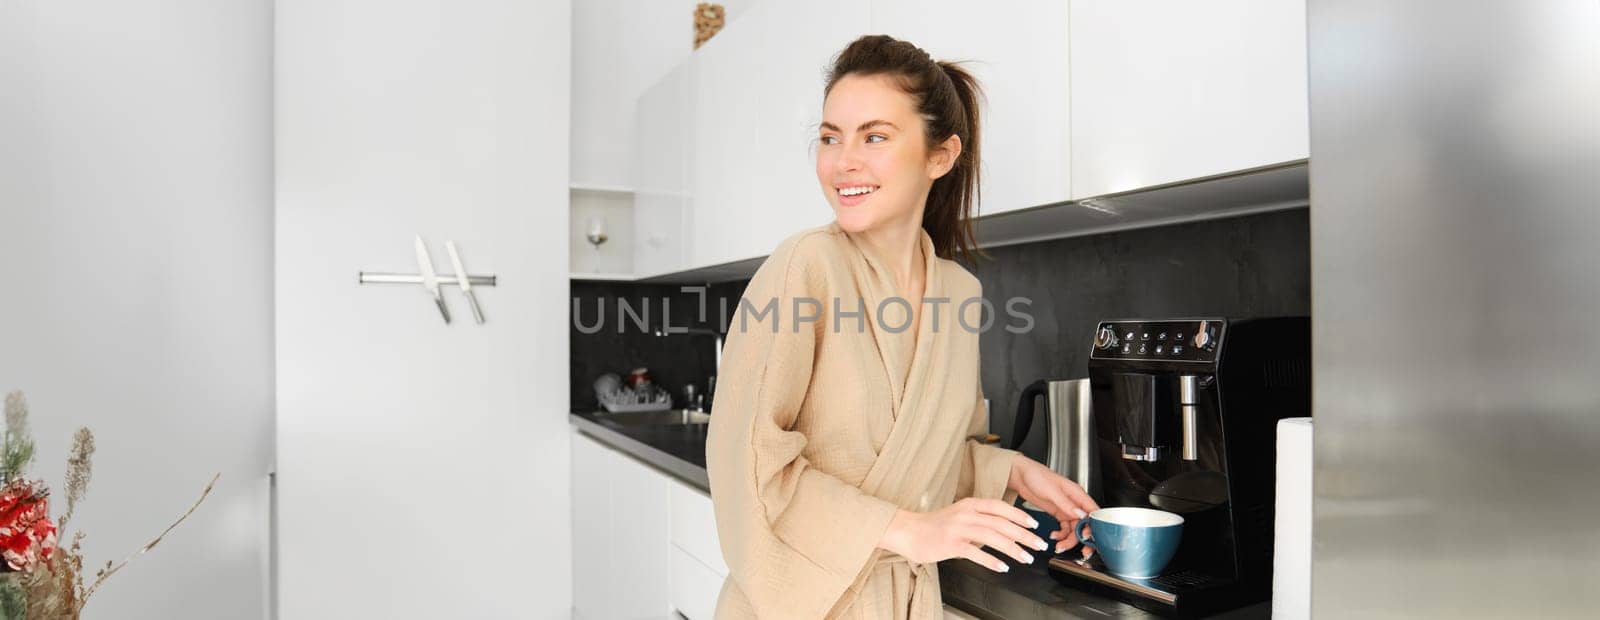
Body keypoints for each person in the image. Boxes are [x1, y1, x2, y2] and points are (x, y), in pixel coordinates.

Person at [705, 34, 1100, 619]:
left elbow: (934, 456)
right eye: (830, 137)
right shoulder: (805, 266)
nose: (844, 161)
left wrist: (1011, 470)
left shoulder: (958, 293)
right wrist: (908, 530)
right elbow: (749, 462)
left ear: (940, 156)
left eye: (875, 136)